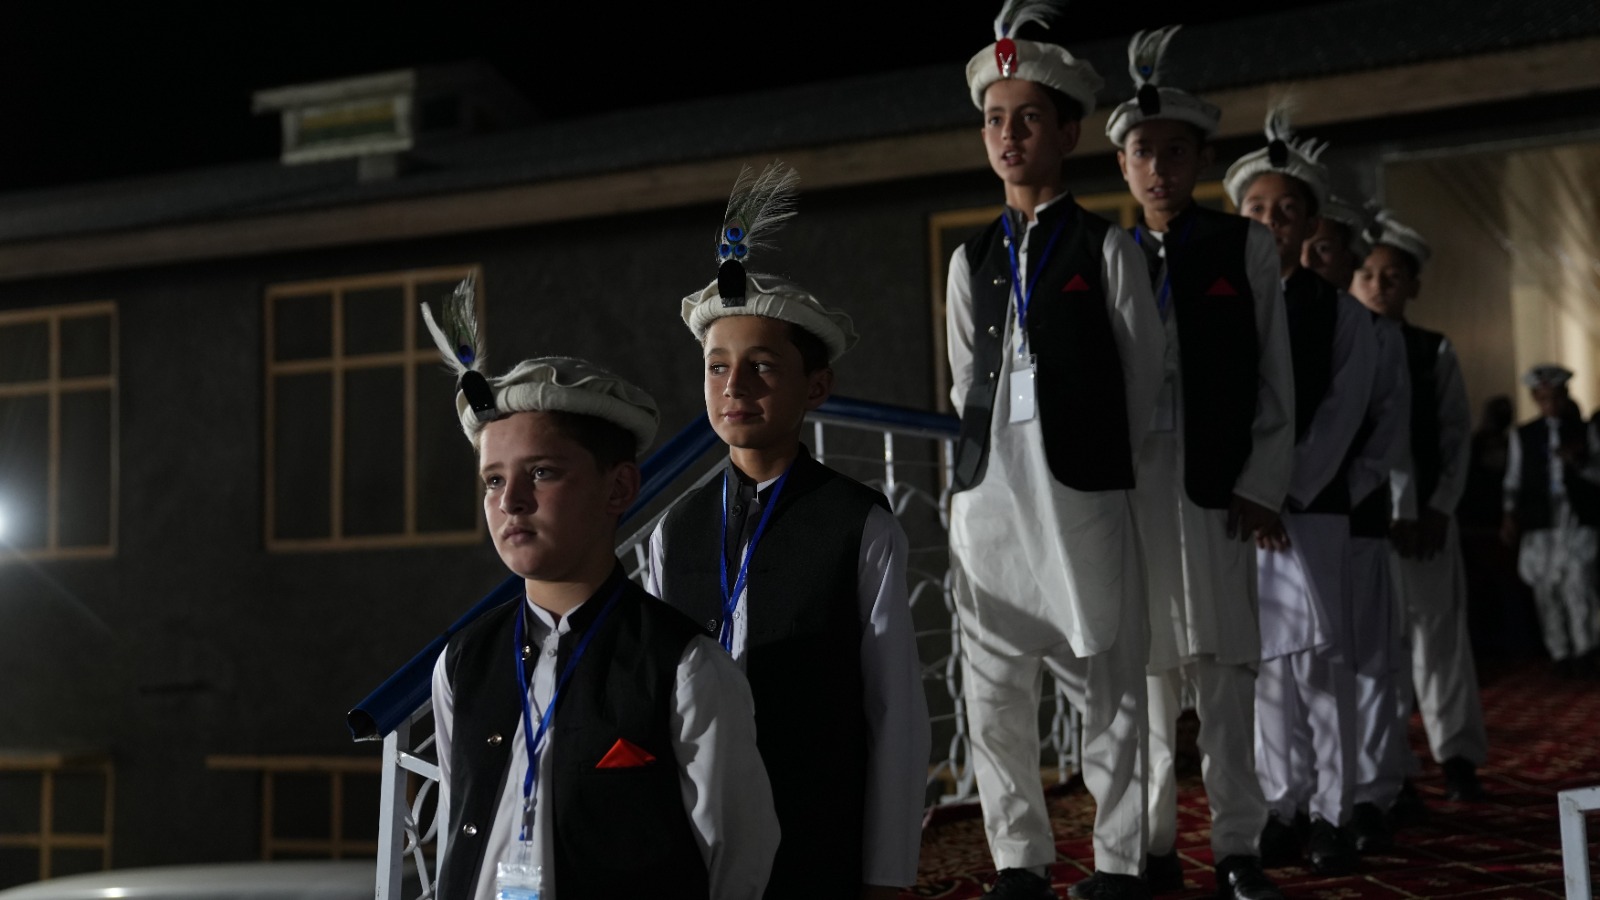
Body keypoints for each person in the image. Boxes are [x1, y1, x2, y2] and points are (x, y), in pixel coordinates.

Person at [424, 279, 780, 900]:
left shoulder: (686, 667)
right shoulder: (463, 662)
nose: (510, 501)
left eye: (541, 472)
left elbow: (738, 857)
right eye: (491, 480)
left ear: (618, 490)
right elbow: (462, 825)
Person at [648, 164, 930, 900]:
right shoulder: (674, 528)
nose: (734, 388)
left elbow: (894, 708)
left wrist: (889, 869)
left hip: (817, 828)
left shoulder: (857, 522)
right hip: (695, 831)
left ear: (816, 387)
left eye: (761, 367)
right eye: (717, 368)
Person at [947, 3, 1166, 897]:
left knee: (1107, 682)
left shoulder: (1108, 247)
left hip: (1080, 499)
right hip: (989, 502)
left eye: (1028, 117)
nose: (1008, 134)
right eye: (995, 118)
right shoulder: (970, 259)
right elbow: (966, 380)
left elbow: (1144, 380)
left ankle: (1117, 860)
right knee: (993, 698)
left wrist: (1096, 459)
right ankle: (1020, 862)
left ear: (1068, 130)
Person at [1107, 25, 1291, 900]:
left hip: (1216, 482)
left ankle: (1237, 848)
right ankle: (1150, 851)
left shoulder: (1240, 246)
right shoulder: (1109, 255)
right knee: (1142, 679)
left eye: (1175, 152)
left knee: (1225, 675)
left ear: (1201, 158)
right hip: (1134, 487)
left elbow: (1274, 378)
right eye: (1142, 152)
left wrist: (1261, 483)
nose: (1158, 168)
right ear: (1123, 166)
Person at [1225, 110, 1377, 876]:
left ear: (1311, 222)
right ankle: (1280, 804)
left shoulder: (1343, 313)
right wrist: (1247, 493)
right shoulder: (1221, 305)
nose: (1273, 223)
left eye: (1287, 211)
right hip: (1240, 516)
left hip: (1309, 511)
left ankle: (1332, 811)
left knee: (1323, 663)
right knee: (1263, 670)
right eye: (1257, 210)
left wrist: (1280, 491)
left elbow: (1343, 411)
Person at [1349, 213, 1490, 805]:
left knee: (1437, 639)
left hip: (1427, 524)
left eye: (1392, 275)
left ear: (1412, 285)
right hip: (1365, 524)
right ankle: (1390, 767)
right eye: (1368, 274)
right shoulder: (1343, 342)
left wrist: (1435, 509)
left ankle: (1456, 754)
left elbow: (1455, 437)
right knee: (1377, 650)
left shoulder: (1433, 350)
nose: (1379, 285)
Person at [1309, 194, 1413, 854]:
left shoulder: (1374, 332)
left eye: (1325, 248)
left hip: (1357, 516)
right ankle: (1306, 797)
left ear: (1348, 254)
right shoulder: (1282, 315)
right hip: (1298, 519)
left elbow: (1388, 430)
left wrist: (1339, 487)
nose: (1311, 258)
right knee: (1308, 665)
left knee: (1371, 661)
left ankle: (1372, 792)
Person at [1501, 365, 1600, 677]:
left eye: (1556, 397)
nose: (1551, 405)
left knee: (1579, 585)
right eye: (1544, 398)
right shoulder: (1524, 435)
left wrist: (1579, 462)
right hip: (1540, 521)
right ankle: (1559, 652)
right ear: (1535, 398)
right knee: (1546, 589)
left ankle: (1586, 650)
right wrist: (1510, 513)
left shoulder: (1586, 431)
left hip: (1577, 518)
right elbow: (1514, 477)